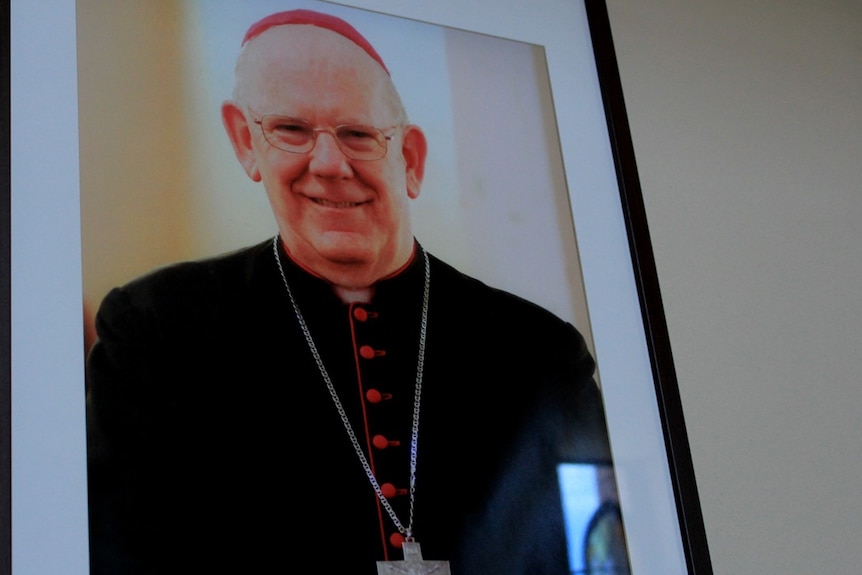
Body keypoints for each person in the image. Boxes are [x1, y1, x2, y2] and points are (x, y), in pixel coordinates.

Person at [85, 9, 615, 575]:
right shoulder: (156, 333)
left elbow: (602, 553)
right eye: (290, 129)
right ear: (246, 143)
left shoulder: (540, 353)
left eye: (359, 134)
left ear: (409, 159)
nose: (330, 164)